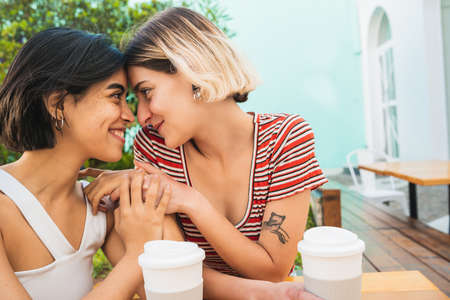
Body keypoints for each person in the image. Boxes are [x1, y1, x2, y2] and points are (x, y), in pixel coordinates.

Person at [82, 7, 327, 300]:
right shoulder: (156, 148)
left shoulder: (285, 139)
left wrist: (192, 202)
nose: (141, 116)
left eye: (147, 92)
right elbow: (170, 269)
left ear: (192, 71)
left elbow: (273, 270)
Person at [0, 27, 178, 300]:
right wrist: (136, 255)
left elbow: (173, 292)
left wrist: (148, 186)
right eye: (115, 96)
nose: (130, 116)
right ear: (57, 103)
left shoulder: (99, 208)